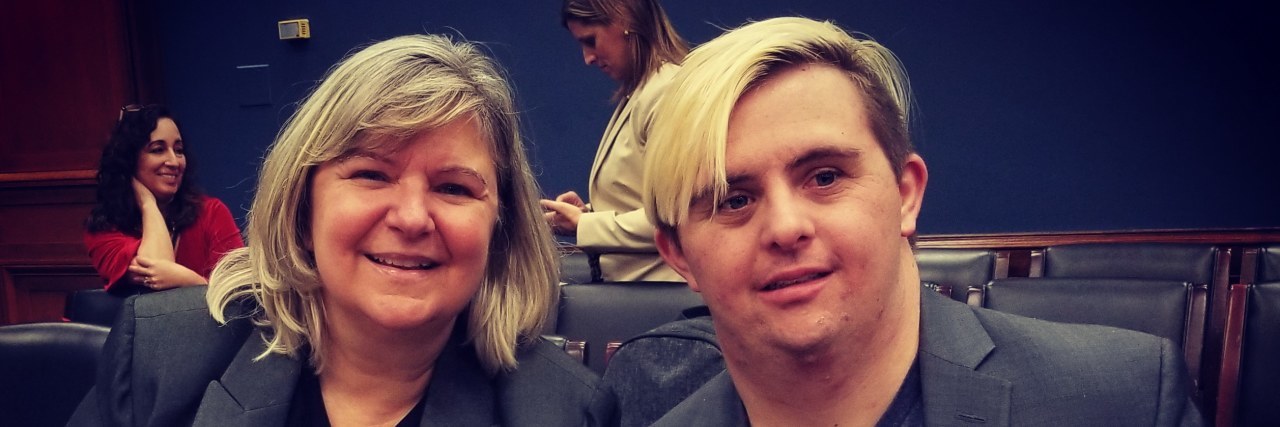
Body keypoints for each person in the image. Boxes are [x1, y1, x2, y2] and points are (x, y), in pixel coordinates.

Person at [604, 17, 1205, 426]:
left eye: (825, 176)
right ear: (679, 254)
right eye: (732, 200)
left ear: (905, 194)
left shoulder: (1121, 395)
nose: (785, 227)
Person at [69, 34, 606, 426]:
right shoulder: (159, 359)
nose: (412, 217)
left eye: (454, 188)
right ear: (303, 205)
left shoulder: (564, 410)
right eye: (372, 174)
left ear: (500, 225)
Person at [542, 0, 689, 282]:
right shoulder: (644, 91)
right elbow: (642, 200)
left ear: (625, 21)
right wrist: (589, 213)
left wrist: (584, 224)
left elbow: (678, 218)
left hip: (659, 301)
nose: (588, 58)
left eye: (590, 40)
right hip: (637, 297)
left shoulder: (666, 92)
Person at [84, 104, 244, 294]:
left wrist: (191, 281)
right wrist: (148, 204)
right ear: (129, 161)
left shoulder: (211, 212)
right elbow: (158, 270)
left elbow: (240, 293)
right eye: (158, 150)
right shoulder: (104, 229)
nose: (174, 162)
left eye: (178, 150)